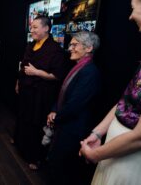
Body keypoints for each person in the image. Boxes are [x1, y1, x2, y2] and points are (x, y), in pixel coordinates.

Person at [79, 0, 141, 185]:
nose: (130, 16)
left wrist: (96, 154)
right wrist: (98, 131)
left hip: (133, 163)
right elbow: (125, 100)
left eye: (133, 8)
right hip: (115, 153)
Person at [13, 15, 69, 170]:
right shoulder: (31, 45)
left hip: (40, 96)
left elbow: (56, 76)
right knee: (23, 119)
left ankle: (33, 157)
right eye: (31, 27)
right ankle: (20, 146)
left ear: (46, 28)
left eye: (35, 27)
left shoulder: (55, 50)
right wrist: (18, 82)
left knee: (35, 125)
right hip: (26, 92)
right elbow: (23, 66)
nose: (32, 30)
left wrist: (37, 73)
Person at [46, 31, 101, 185]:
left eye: (74, 44)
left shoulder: (90, 72)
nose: (70, 48)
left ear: (89, 48)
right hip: (64, 124)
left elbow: (75, 105)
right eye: (70, 44)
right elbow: (62, 92)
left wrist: (56, 116)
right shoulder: (78, 67)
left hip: (73, 130)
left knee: (62, 169)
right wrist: (54, 109)